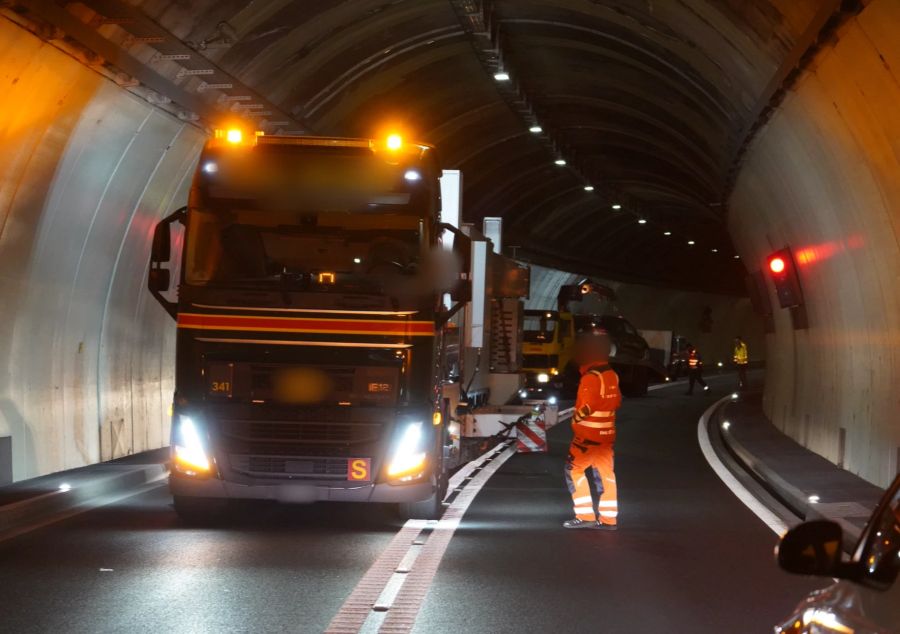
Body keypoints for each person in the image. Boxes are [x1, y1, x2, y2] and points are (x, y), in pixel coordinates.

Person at [563, 328, 622, 530]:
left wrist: (575, 419)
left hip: (587, 437)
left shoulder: (591, 377)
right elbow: (617, 401)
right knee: (606, 475)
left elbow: (587, 407)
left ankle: (585, 514)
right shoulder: (612, 375)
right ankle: (608, 519)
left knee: (574, 471)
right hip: (606, 437)